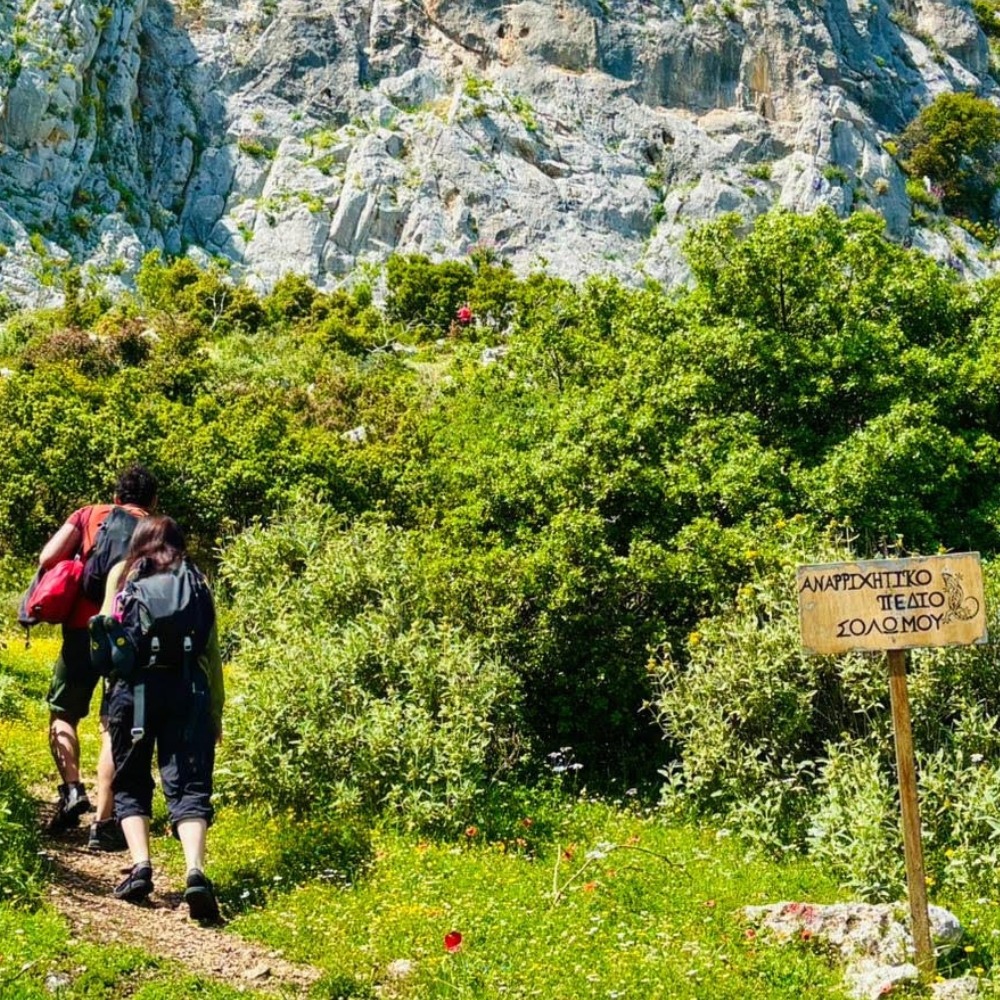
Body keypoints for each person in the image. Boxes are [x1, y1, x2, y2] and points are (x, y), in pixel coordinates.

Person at [92, 515, 224, 922]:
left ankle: (142, 866)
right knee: (189, 782)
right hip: (188, 690)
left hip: (133, 693)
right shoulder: (197, 580)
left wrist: (105, 702)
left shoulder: (124, 573)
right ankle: (194, 871)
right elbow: (212, 653)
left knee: (131, 779)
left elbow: (103, 635)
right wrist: (215, 710)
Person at [39, 463, 158, 844]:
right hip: (129, 633)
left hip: (80, 628)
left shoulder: (90, 514)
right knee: (112, 721)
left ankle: (72, 789)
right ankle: (104, 824)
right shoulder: (158, 531)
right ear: (152, 501)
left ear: (117, 497)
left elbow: (47, 557)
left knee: (63, 711)